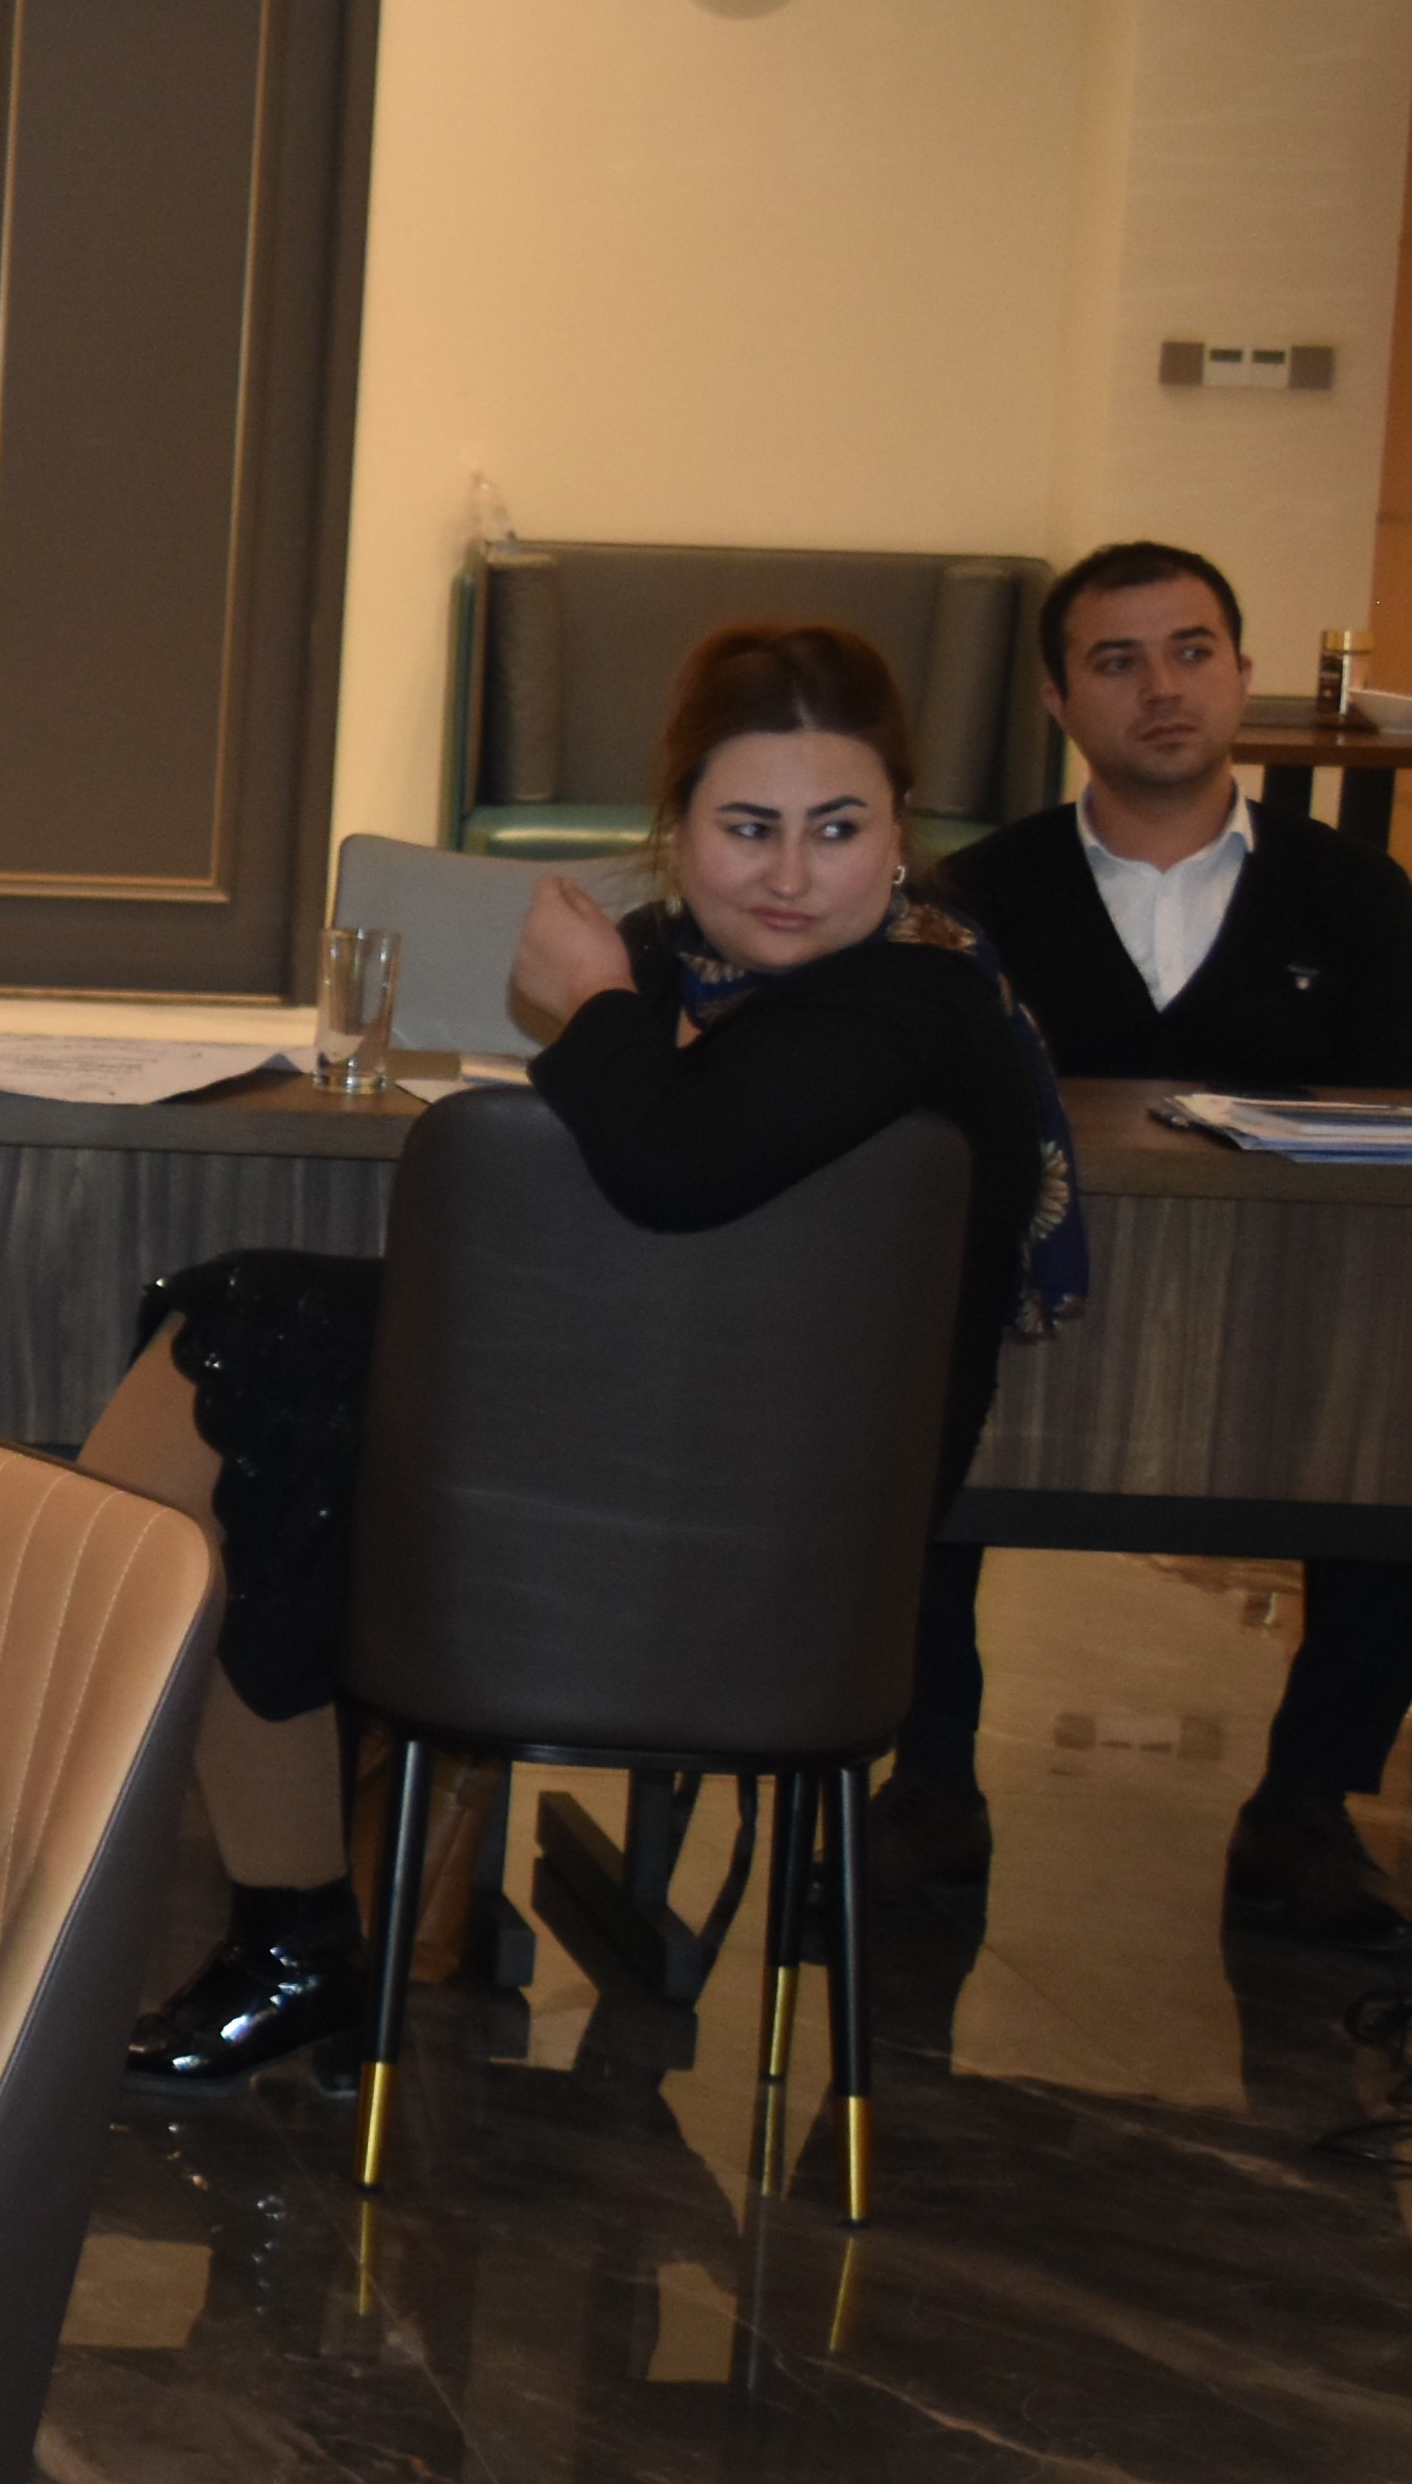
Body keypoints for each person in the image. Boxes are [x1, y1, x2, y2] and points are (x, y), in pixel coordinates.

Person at [113, 625, 1087, 2092]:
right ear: (674, 828)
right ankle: (239, 1892)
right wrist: (622, 1003)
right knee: (247, 1362)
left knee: (250, 1356)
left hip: (757, 1535)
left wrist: (596, 1001)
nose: (790, 874)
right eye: (746, 827)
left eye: (837, 829)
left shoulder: (916, 996)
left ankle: (213, 1888)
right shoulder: (692, 974)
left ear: (900, 831)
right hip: (643, 1447)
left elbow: (669, 1165)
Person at [900, 538, 1412, 1945]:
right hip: (1023, 1310)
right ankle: (929, 1781)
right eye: (1115, 662)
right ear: (1058, 701)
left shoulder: (1360, 899)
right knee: (898, 1388)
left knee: (1401, 1425)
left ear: (1241, 673)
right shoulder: (968, 900)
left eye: (1190, 652)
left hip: (1306, 1327)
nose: (1161, 688)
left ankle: (1304, 1803)